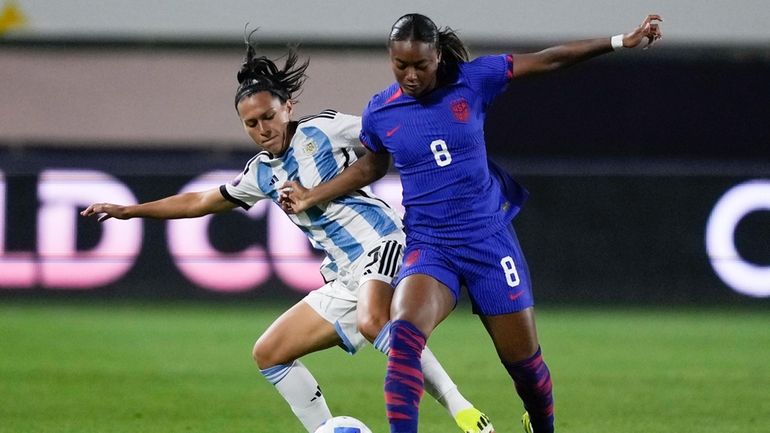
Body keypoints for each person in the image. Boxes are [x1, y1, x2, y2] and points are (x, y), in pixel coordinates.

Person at [80, 35, 495, 433]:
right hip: (343, 274)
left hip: (380, 243)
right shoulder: (260, 172)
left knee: (374, 321)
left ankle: (465, 412)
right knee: (269, 353)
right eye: (251, 124)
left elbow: (380, 146)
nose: (262, 128)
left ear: (288, 107)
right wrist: (130, 211)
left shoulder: (325, 130)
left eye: (268, 116)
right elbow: (200, 202)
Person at [279, 13, 664, 433]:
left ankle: (540, 424)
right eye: (400, 65)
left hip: (489, 244)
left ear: (437, 55)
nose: (410, 75)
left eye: (420, 65)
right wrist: (313, 196)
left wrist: (619, 41)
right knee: (404, 342)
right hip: (430, 247)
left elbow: (550, 59)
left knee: (527, 371)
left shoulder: (474, 79)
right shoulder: (380, 112)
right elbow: (372, 167)